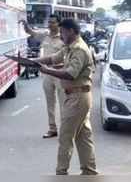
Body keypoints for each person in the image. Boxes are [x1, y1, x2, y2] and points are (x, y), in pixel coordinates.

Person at [32, 19, 97, 175]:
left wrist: (47, 70)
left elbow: (70, 73)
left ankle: (61, 173)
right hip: (77, 96)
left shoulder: (79, 49)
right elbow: (53, 58)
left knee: (65, 137)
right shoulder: (69, 48)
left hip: (78, 97)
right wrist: (32, 62)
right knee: (83, 136)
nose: (61, 35)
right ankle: (89, 170)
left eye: (63, 32)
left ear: (72, 31)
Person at [21, 14, 65, 138]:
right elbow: (31, 32)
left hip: (60, 73)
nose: (50, 24)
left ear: (59, 24)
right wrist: (26, 25)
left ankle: (64, 130)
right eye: (49, 22)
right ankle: (52, 128)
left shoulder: (63, 38)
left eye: (53, 22)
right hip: (47, 74)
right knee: (50, 103)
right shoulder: (45, 35)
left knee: (63, 103)